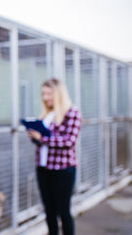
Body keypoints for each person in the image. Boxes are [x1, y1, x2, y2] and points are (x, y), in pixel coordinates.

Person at [26, 78, 81, 235]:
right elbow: (42, 143)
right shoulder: (46, 114)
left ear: (58, 94)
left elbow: (69, 141)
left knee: (63, 211)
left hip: (63, 169)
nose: (45, 97)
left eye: (49, 93)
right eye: (43, 93)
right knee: (49, 211)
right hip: (43, 168)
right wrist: (34, 135)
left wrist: (41, 138)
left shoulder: (72, 113)